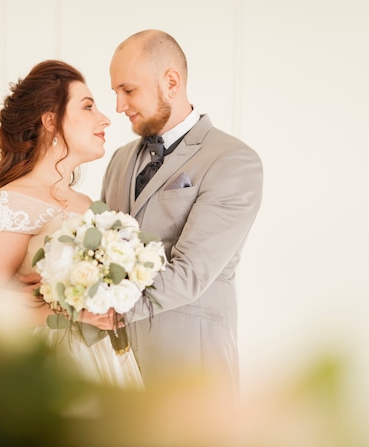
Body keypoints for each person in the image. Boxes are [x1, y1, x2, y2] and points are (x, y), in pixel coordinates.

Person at [101, 30, 263, 396]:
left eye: (128, 90)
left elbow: (191, 272)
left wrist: (109, 311)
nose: (118, 105)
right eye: (115, 92)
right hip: (116, 371)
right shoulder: (119, 160)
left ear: (171, 82)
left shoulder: (233, 160)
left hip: (192, 371)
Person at [0, 59, 143, 390]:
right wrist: (65, 307)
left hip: (104, 362)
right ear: (51, 119)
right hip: (46, 369)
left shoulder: (88, 205)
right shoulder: (9, 204)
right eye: (88, 107)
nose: (105, 118)